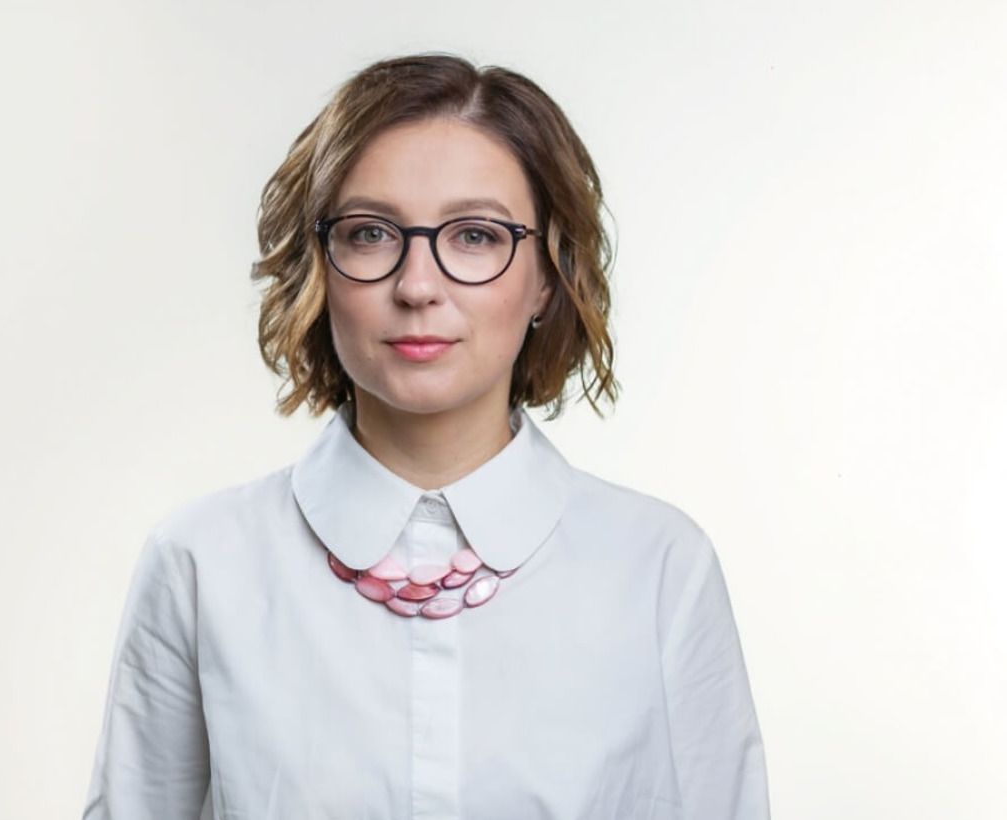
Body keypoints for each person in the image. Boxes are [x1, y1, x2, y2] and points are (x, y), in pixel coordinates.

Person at [81, 52, 770, 820]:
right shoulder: (201, 564)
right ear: (318, 268)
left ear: (547, 276)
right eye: (371, 233)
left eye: (474, 235)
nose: (416, 285)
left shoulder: (661, 569)